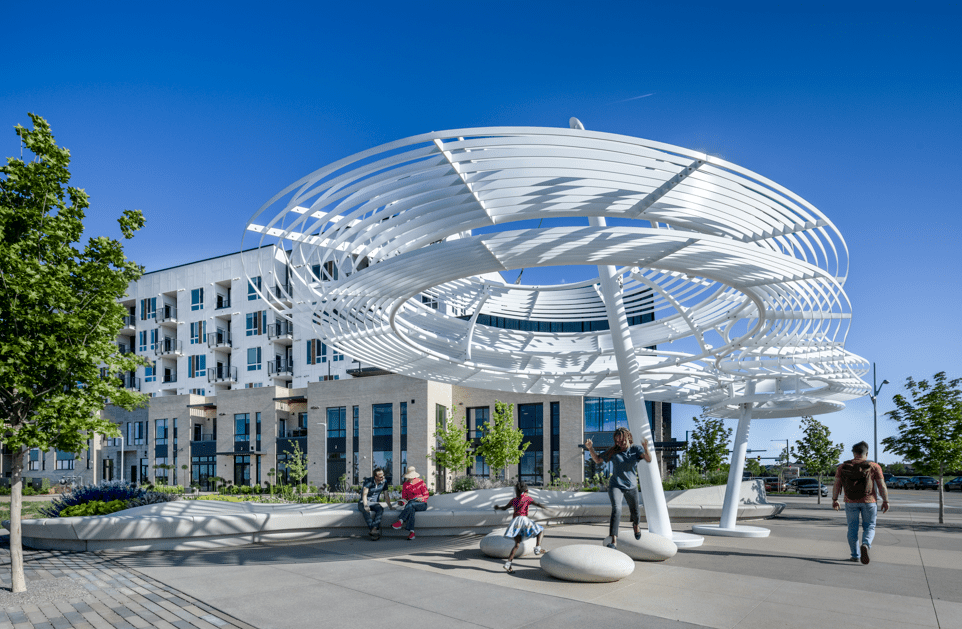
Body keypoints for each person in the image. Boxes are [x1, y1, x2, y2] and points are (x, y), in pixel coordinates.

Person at [584, 426, 652, 548]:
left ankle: (636, 526)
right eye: (617, 441)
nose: (619, 443)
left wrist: (646, 448)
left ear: (628, 438)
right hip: (616, 485)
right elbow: (598, 460)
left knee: (635, 510)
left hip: (631, 486)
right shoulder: (613, 451)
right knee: (617, 509)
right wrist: (590, 448)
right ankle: (613, 541)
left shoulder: (636, 449)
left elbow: (648, 459)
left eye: (622, 441)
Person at [833, 441, 889, 564]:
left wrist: (835, 500)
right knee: (869, 526)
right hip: (869, 501)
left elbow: (837, 484)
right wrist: (885, 501)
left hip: (850, 501)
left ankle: (855, 555)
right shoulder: (874, 466)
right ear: (866, 453)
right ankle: (866, 544)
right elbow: (882, 486)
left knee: (852, 529)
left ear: (853, 453)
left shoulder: (842, 467)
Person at [493, 480, 547, 573]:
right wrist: (545, 507)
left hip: (515, 522)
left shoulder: (513, 500)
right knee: (541, 530)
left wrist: (498, 508)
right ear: (525, 490)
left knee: (517, 544)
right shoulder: (527, 498)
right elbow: (537, 504)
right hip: (523, 520)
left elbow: (505, 508)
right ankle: (537, 548)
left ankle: (508, 564)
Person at [391, 466, 429, 540]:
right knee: (411, 508)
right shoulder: (405, 485)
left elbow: (426, 495)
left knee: (411, 504)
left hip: (421, 504)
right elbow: (405, 498)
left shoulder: (420, 482)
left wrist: (421, 498)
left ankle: (400, 521)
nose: (410, 478)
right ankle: (412, 532)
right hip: (411, 504)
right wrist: (402, 502)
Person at [358, 467, 393, 540]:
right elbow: (364, 494)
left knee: (380, 509)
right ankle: (374, 530)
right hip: (364, 501)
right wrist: (365, 505)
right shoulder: (368, 481)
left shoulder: (384, 482)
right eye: (381, 476)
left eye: (383, 475)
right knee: (365, 511)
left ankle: (373, 529)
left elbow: (386, 495)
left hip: (374, 503)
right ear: (376, 477)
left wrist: (390, 506)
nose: (383, 477)